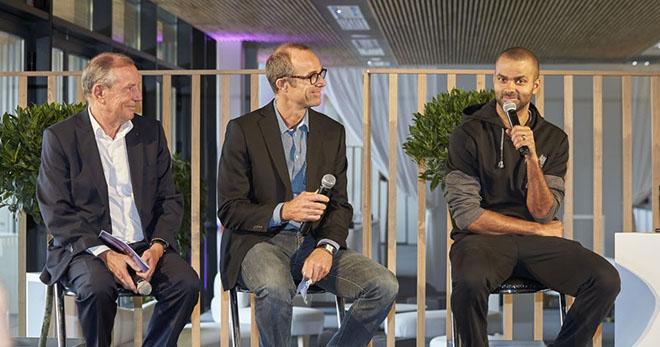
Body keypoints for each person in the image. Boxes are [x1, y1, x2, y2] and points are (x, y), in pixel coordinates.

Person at [217, 43, 398, 346]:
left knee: (384, 285)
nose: (322, 82)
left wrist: (326, 248)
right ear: (283, 85)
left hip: (314, 243)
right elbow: (229, 209)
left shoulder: (332, 132)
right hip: (257, 243)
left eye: (321, 74)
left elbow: (340, 206)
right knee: (275, 287)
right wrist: (284, 211)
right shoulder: (243, 131)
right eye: (312, 76)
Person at [444, 47, 620, 347]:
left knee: (604, 279)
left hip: (538, 245)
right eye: (502, 79)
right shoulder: (467, 134)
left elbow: (543, 211)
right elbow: (468, 216)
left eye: (519, 81)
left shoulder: (553, 138)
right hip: (481, 242)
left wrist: (532, 158)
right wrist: (538, 229)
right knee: (469, 284)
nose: (509, 88)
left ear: (535, 85)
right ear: (494, 80)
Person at [37, 52, 199, 347]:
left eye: (138, 87)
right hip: (86, 249)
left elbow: (170, 199)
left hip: (144, 245)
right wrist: (105, 254)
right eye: (130, 88)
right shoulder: (60, 138)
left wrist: (158, 246)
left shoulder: (150, 133)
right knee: (97, 288)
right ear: (99, 92)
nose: (138, 96)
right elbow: (56, 211)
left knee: (186, 284)